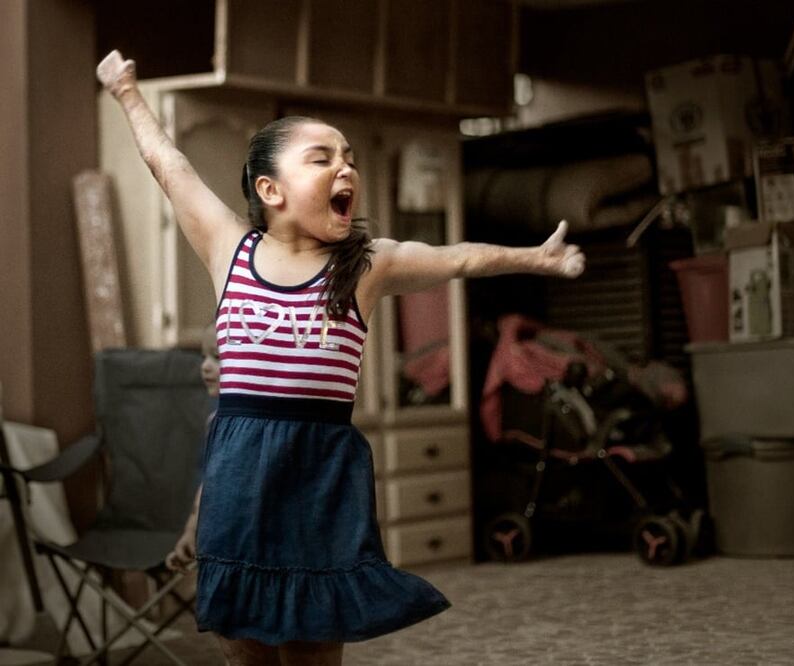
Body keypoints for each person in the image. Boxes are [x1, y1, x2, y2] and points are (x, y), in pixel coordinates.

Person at [96, 49, 584, 666]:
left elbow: (458, 257)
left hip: (319, 474)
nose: (345, 167)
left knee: (313, 646)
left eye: (349, 157)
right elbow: (167, 164)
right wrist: (127, 91)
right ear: (270, 189)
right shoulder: (228, 249)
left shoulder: (367, 265)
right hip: (239, 475)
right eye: (322, 158)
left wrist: (534, 258)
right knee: (243, 649)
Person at [165, 323, 220, 573]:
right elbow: (209, 481)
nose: (205, 365)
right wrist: (191, 530)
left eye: (217, 357)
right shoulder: (215, 421)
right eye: (204, 357)